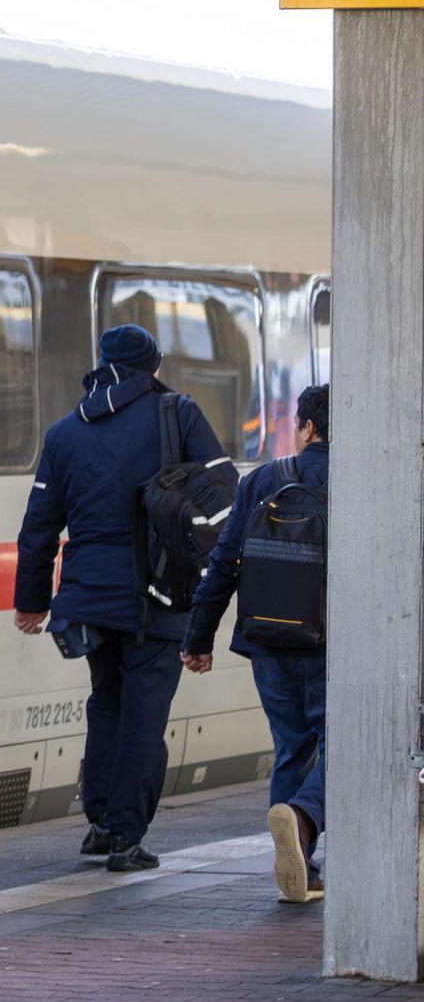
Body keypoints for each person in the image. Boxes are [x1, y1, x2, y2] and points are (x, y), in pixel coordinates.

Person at [13, 324, 225, 873]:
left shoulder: (64, 434)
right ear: (152, 366)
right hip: (159, 594)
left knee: (106, 702)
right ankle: (126, 838)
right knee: (143, 719)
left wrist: (31, 601)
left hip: (86, 600)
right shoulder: (178, 414)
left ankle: (101, 822)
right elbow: (222, 497)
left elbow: (38, 528)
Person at [183, 384, 330, 904]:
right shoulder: (362, 480)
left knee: (292, 746)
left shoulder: (264, 479)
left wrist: (198, 637)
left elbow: (224, 561)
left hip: (267, 637)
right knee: (345, 747)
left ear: (308, 428)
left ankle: (300, 870)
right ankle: (304, 822)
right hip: (329, 642)